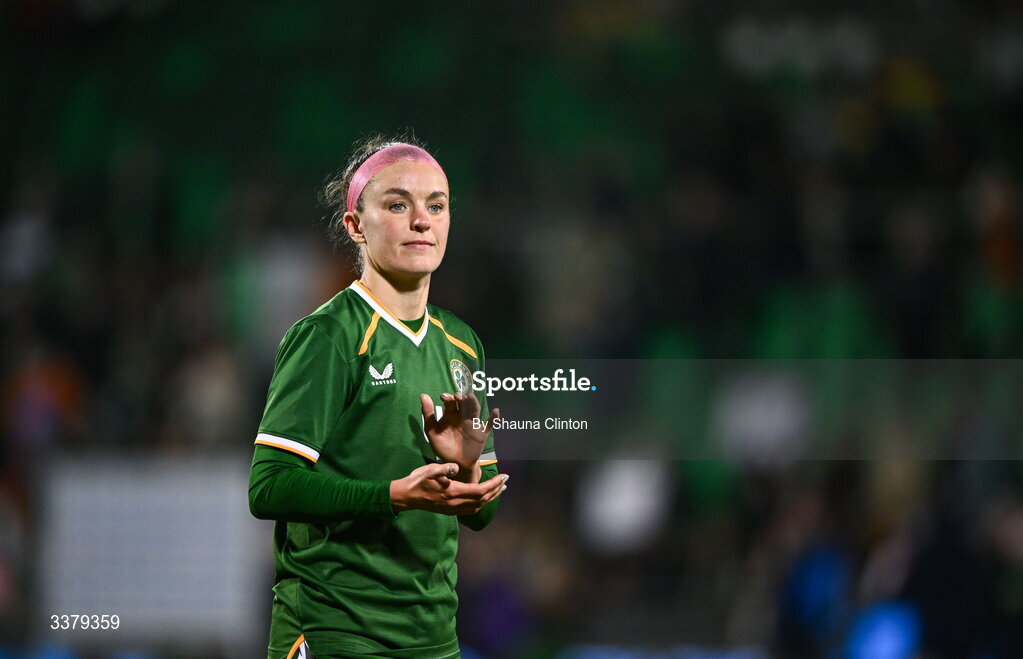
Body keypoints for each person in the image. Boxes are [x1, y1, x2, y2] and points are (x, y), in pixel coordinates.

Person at [248, 135, 507, 659]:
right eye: (397, 204)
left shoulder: (462, 344)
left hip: (431, 639)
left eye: (437, 205)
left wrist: (467, 473)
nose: (422, 220)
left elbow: (479, 516)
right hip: (334, 629)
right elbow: (268, 488)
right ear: (355, 226)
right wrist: (390, 495)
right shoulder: (329, 337)